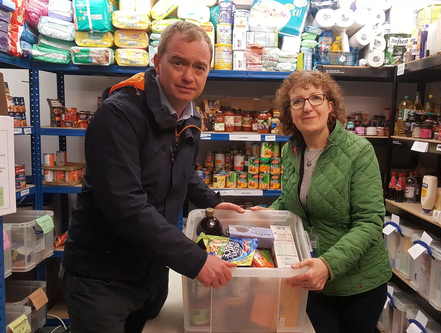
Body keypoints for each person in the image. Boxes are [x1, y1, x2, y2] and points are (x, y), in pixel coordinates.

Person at [61, 21, 243, 333]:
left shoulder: (188, 114)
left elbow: (181, 173)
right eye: (178, 62)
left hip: (151, 274)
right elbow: (126, 207)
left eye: (199, 67)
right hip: (102, 281)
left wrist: (216, 203)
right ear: (157, 62)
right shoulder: (119, 115)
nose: (189, 75)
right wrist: (195, 260)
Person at [253, 71, 392, 333]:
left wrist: (328, 266)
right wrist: (268, 214)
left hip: (358, 283)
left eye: (315, 98)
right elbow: (292, 200)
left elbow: (370, 222)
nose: (307, 107)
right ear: (289, 112)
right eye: (297, 101)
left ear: (330, 106)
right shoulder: (291, 149)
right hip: (310, 274)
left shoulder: (359, 151)